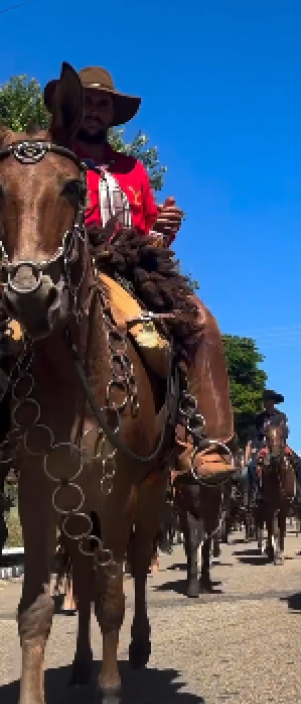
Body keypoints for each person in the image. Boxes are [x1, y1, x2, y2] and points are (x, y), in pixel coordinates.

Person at [42, 65, 235, 481]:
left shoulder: (132, 169)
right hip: (74, 265)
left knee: (201, 323)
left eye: (102, 104)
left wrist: (163, 228)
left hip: (133, 269)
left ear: (112, 114)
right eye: (88, 102)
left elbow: (150, 235)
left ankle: (203, 441)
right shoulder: (57, 159)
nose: (94, 111)